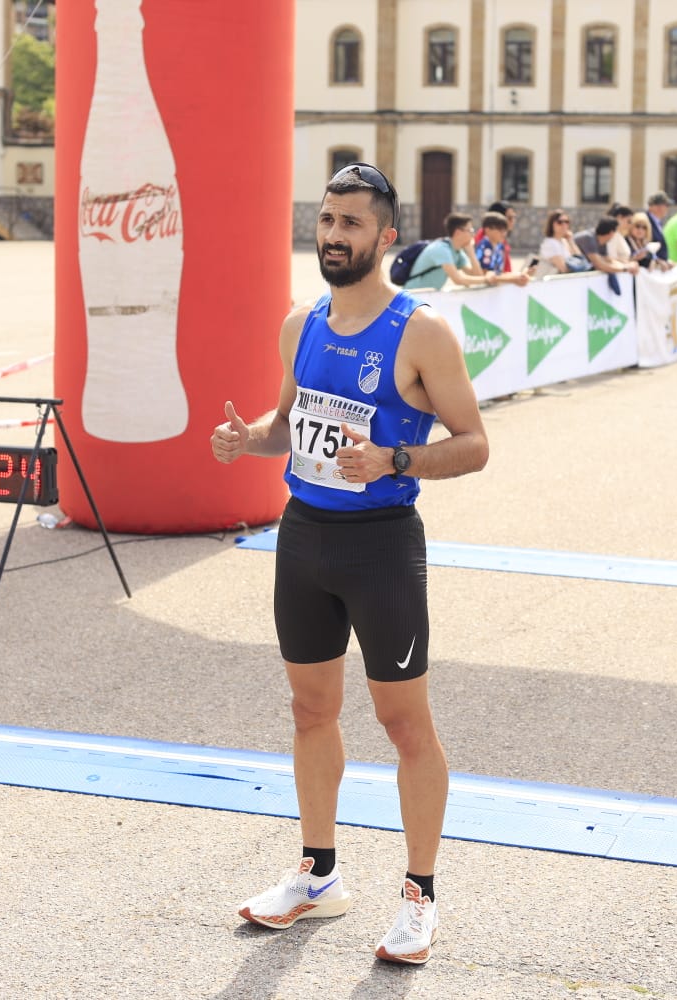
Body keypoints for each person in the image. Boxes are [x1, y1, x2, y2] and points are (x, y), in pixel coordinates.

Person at [212, 161, 488, 966]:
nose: (334, 236)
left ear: (386, 237)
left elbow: (474, 445)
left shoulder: (422, 332)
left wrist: (397, 459)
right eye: (328, 221)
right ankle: (318, 874)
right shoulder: (300, 324)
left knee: (405, 725)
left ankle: (419, 896)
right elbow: (288, 424)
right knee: (309, 711)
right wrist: (248, 439)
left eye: (352, 224)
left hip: (380, 547)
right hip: (304, 538)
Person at [401, 212, 509, 291]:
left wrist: (471, 253)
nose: (473, 234)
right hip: (413, 296)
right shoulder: (441, 249)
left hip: (425, 297)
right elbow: (458, 279)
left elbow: (476, 275)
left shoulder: (457, 251)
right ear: (458, 232)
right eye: (470, 230)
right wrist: (486, 279)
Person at [473, 212, 530, 286]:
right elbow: (485, 275)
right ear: (487, 230)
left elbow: (500, 273)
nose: (504, 234)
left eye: (505, 230)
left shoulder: (499, 246)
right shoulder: (484, 246)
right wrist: (513, 279)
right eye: (500, 230)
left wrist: (521, 275)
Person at [535, 210, 585, 276]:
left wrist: (570, 241)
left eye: (567, 222)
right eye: (560, 222)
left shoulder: (564, 241)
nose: (564, 225)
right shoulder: (550, 243)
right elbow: (563, 269)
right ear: (552, 224)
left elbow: (580, 259)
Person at [485, 200, 518, 271]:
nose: (513, 221)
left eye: (514, 217)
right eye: (509, 218)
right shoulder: (486, 240)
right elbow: (489, 273)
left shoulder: (501, 238)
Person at [644, 192, 674, 266]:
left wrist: (666, 261)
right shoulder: (645, 221)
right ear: (656, 207)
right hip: (649, 268)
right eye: (666, 205)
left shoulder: (657, 222)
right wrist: (657, 260)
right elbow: (643, 246)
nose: (667, 208)